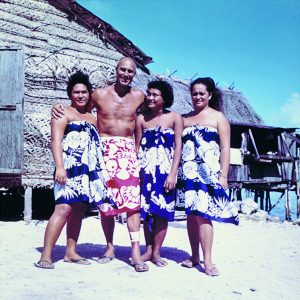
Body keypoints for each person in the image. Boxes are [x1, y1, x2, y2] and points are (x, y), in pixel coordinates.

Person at [52, 57, 148, 272]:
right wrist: (58, 106)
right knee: (106, 201)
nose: (125, 74)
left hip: (127, 150)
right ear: (116, 70)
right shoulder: (99, 94)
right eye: (122, 70)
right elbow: (78, 109)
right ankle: (110, 247)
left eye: (130, 71)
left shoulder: (139, 97)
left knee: (133, 204)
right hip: (102, 150)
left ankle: (135, 251)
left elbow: (147, 119)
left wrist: (137, 149)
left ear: (134, 74)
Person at [35, 71, 108, 269]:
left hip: (86, 171)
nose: (81, 95)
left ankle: (70, 252)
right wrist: (59, 167)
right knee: (63, 208)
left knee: (78, 209)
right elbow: (55, 140)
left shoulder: (92, 118)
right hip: (67, 168)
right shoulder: (63, 113)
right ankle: (46, 255)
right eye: (76, 92)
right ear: (70, 94)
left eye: (84, 92)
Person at [176, 77, 239, 276]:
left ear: (210, 95)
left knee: (204, 216)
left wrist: (224, 176)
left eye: (202, 93)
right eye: (194, 93)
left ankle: (208, 260)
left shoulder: (219, 118)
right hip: (187, 173)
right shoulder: (184, 118)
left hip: (208, 173)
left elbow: (225, 149)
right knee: (191, 215)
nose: (197, 97)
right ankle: (194, 256)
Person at [135, 80, 183, 267]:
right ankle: (147, 250)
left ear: (164, 99)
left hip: (165, 172)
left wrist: (173, 174)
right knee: (146, 212)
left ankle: (156, 253)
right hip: (145, 171)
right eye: (149, 93)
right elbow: (137, 147)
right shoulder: (141, 119)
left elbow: (178, 147)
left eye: (155, 95)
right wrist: (136, 173)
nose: (150, 97)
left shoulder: (175, 118)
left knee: (161, 212)